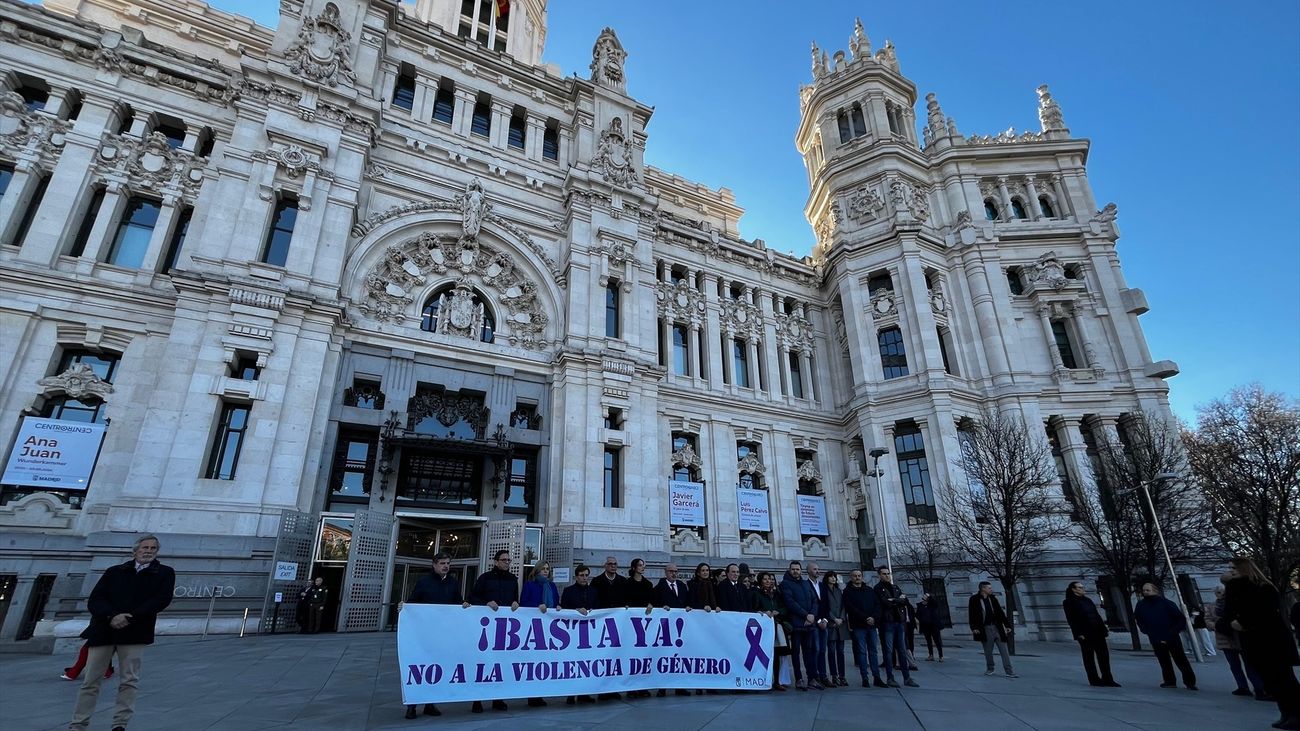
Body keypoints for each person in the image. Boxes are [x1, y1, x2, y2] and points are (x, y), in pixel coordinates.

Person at [68, 534, 175, 731]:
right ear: (135, 550)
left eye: (153, 548)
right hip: (104, 631)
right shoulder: (114, 571)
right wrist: (111, 616)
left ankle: (120, 723)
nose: (148, 551)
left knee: (129, 680)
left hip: (135, 632)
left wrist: (129, 617)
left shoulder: (165, 573)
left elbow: (160, 600)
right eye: (145, 547)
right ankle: (78, 723)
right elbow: (96, 599)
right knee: (90, 681)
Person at [1221, 557, 1300, 729]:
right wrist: (1231, 622)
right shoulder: (1233, 588)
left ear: (1244, 568)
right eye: (1230, 568)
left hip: (1273, 640)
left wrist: (1244, 623)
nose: (1231, 570)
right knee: (1270, 680)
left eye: (1234, 567)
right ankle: (1285, 712)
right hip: (1252, 641)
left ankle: (1296, 713)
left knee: (1284, 679)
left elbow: (1266, 612)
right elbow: (1228, 612)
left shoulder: (1264, 587)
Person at [402, 552, 470, 719]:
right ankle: (412, 705)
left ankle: (430, 704)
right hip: (424, 634)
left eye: (448, 563)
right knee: (420, 668)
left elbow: (456, 602)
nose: (445, 566)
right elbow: (413, 603)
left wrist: (464, 605)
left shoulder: (453, 583)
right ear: (434, 565)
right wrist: (405, 609)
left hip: (443, 634)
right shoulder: (424, 582)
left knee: (436, 669)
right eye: (442, 563)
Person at [469, 549, 521, 713]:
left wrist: (515, 603)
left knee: (501, 665)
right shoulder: (485, 578)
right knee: (482, 664)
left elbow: (515, 599)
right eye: (504, 560)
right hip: (485, 629)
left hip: (504, 629)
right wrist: (486, 603)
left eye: (508, 560)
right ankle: (476, 700)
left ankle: (498, 698)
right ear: (496, 561)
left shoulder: (513, 579)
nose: (507, 562)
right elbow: (472, 597)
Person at [1205, 577, 1265, 698]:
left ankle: (1259, 687)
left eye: (1222, 592)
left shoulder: (1234, 603)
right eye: (1217, 592)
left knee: (1249, 664)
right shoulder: (1211, 606)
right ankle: (1242, 686)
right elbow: (1207, 620)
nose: (1220, 594)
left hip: (1239, 636)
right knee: (1234, 665)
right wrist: (1217, 626)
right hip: (1224, 638)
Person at [1133, 582, 1197, 691]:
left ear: (1155, 590)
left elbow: (1180, 619)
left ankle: (1189, 682)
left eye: (1148, 590)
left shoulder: (1167, 603)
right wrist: (1145, 630)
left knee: (1180, 659)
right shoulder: (1141, 605)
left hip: (1171, 636)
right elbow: (1139, 618)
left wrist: (1173, 632)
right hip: (1155, 636)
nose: (1145, 592)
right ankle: (1169, 681)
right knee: (1163, 660)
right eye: (1144, 590)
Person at [1062, 581, 1119, 687]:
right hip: (1085, 633)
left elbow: (1096, 615)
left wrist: (1104, 629)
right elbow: (1071, 619)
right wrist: (1079, 633)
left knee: (1103, 656)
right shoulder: (1069, 602)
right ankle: (1094, 679)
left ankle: (1107, 678)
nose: (1082, 589)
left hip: (1097, 631)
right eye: (1080, 587)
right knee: (1089, 657)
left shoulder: (1087, 600)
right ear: (1073, 589)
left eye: (1082, 587)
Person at [520, 561, 561, 707]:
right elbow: (523, 602)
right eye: (543, 569)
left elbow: (556, 601)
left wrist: (557, 606)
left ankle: (541, 693)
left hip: (549, 628)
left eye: (547, 569)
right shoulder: (530, 585)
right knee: (534, 661)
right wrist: (537, 606)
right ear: (537, 570)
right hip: (533, 627)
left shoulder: (552, 585)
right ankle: (532, 696)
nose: (546, 571)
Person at [779, 560, 822, 690]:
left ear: (801, 570)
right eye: (793, 569)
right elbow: (790, 602)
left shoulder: (805, 583)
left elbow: (815, 600)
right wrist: (805, 615)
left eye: (797, 569)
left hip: (809, 623)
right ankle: (799, 679)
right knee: (796, 652)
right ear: (789, 570)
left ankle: (812, 678)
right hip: (797, 623)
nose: (795, 571)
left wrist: (812, 615)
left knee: (810, 652)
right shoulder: (785, 584)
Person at [560, 565, 598, 705]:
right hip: (572, 633)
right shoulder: (568, 591)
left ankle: (584, 694)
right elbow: (563, 608)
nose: (584, 578)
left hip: (589, 633)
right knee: (572, 662)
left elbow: (598, 607)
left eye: (586, 575)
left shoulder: (593, 591)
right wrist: (576, 611)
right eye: (581, 575)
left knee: (586, 663)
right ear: (576, 576)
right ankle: (571, 694)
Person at [875, 566, 918, 687]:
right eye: (884, 574)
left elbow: (905, 601)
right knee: (888, 651)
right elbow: (885, 603)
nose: (887, 576)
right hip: (887, 623)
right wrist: (897, 600)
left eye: (888, 573)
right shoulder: (878, 588)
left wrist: (894, 600)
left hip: (899, 622)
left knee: (902, 650)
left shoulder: (895, 587)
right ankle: (890, 677)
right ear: (879, 575)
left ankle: (907, 678)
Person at [844, 568, 885, 688]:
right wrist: (866, 618)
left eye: (859, 575)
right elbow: (850, 608)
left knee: (873, 651)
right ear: (851, 577)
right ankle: (865, 677)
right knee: (862, 652)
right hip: (859, 626)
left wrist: (874, 618)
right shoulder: (848, 592)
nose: (857, 578)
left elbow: (877, 605)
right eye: (855, 576)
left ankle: (876, 677)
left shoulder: (869, 590)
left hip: (871, 626)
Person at [968, 581, 1016, 678]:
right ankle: (990, 668)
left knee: (1004, 650)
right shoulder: (974, 599)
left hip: (997, 627)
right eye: (989, 588)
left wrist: (1007, 625)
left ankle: (1009, 671)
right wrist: (974, 628)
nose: (991, 589)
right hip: (985, 628)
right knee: (988, 651)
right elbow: (971, 615)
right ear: (983, 589)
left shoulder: (993, 599)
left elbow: (1000, 612)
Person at [751, 571, 788, 691]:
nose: (768, 581)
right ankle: (762, 679)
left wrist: (778, 611)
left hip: (776, 625)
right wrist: (763, 612)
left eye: (769, 579)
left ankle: (776, 680)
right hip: (764, 628)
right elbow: (754, 609)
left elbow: (784, 608)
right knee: (763, 654)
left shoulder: (777, 594)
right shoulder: (757, 594)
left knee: (776, 654)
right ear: (760, 581)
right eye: (765, 579)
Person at [807, 562, 832, 688]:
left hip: (824, 622)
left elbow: (827, 604)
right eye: (815, 569)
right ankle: (814, 675)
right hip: (814, 623)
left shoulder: (822, 586)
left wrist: (825, 620)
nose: (817, 571)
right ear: (809, 571)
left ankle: (823, 676)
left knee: (823, 650)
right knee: (815, 650)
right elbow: (810, 604)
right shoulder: (806, 585)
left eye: (818, 569)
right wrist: (817, 621)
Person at [823, 570, 849, 686]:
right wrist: (834, 618)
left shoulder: (839, 591)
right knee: (832, 651)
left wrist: (842, 618)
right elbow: (825, 607)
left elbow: (844, 606)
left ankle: (842, 675)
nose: (833, 579)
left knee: (841, 652)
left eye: (834, 577)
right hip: (831, 624)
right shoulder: (824, 591)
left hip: (841, 625)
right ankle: (834, 675)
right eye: (831, 577)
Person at [916, 593, 945, 662]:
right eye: (924, 595)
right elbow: (917, 614)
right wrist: (922, 619)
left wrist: (930, 597)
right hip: (925, 625)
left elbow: (935, 604)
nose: (924, 596)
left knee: (937, 640)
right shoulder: (920, 605)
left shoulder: (932, 604)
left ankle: (941, 656)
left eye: (926, 595)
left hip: (934, 625)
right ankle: (931, 655)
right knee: (928, 641)